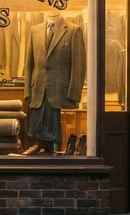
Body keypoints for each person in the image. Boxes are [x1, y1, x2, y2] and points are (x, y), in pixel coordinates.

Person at [23, 12, 86, 152]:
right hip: (38, 93)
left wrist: (74, 94)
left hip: (61, 94)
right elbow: (28, 64)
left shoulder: (74, 30)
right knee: (37, 131)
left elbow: (79, 65)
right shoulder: (35, 30)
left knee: (59, 136)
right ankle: (41, 148)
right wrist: (27, 91)